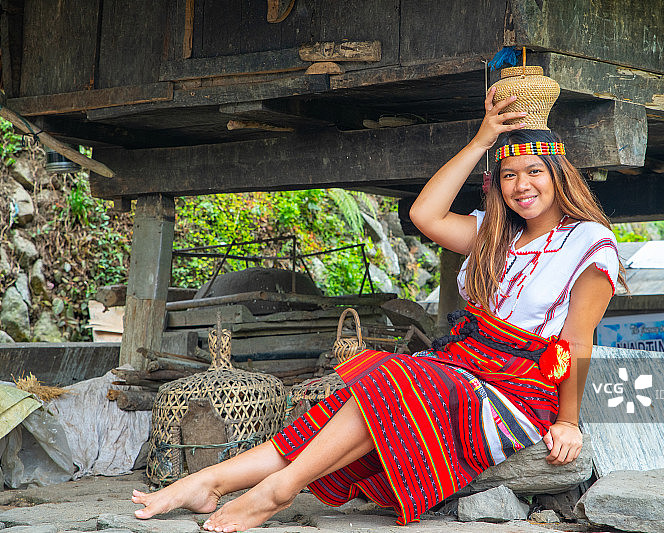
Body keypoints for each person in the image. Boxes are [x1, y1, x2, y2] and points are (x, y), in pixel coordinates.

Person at [131, 86, 623, 533]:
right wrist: (480, 141)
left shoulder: (589, 241)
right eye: (509, 175)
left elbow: (576, 340)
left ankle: (277, 491)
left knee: (396, 381)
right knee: (362, 389)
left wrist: (568, 421)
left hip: (518, 389)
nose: (521, 186)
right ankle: (212, 481)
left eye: (535, 172)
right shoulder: (495, 234)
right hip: (463, 365)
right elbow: (424, 213)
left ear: (558, 174)